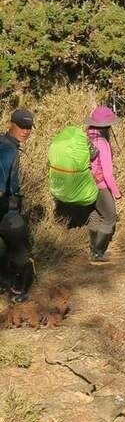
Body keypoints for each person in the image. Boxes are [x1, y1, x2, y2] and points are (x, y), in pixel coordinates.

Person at [0, 109, 35, 302]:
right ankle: (16, 294)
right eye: (21, 126)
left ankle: (5, 284)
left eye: (29, 127)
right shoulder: (7, 150)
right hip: (6, 211)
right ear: (10, 124)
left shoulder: (5, 144)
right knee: (21, 255)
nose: (25, 131)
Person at [86, 106, 122, 264]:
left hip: (87, 184)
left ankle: (92, 248)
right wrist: (116, 192)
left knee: (95, 215)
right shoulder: (102, 142)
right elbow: (107, 173)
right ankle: (97, 253)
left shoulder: (86, 136)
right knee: (109, 218)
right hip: (100, 185)